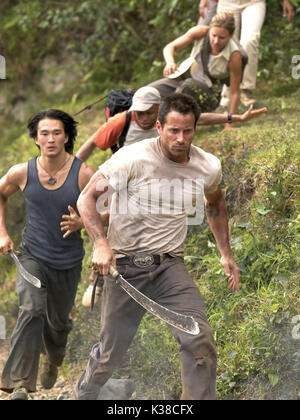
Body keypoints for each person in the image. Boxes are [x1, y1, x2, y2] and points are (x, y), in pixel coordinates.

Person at [73, 93, 240, 400]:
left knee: (198, 337)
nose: (180, 138)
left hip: (169, 267)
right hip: (123, 267)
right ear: (160, 126)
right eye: (173, 130)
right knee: (110, 353)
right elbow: (87, 198)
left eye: (187, 131)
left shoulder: (207, 166)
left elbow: (215, 203)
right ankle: (84, 396)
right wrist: (100, 244)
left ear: (195, 129)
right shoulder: (131, 158)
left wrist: (225, 254)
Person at [0, 109, 94, 400]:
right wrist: (2, 232)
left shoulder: (83, 174)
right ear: (36, 139)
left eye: (56, 132)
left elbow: (110, 210)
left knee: (58, 325)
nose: (51, 138)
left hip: (68, 261)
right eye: (44, 133)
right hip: (32, 256)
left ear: (66, 136)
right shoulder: (21, 172)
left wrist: (84, 221)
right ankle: (18, 384)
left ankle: (53, 359)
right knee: (31, 310)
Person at [76, 86, 267, 166]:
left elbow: (201, 118)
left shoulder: (167, 117)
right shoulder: (120, 121)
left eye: (149, 112)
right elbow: (92, 143)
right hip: (127, 169)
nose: (143, 118)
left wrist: (236, 118)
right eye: (139, 112)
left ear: (158, 109)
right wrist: (72, 170)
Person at [148, 13, 244, 124]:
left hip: (208, 95)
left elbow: (234, 92)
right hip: (184, 79)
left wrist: (229, 122)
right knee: (148, 92)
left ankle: (167, 122)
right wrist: (170, 62)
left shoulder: (234, 55)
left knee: (188, 86)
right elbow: (170, 47)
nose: (216, 41)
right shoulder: (200, 32)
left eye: (222, 38)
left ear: (231, 35)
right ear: (209, 30)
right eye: (213, 35)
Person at [217, 0, 295, 107]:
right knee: (228, 45)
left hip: (254, 2)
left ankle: (246, 89)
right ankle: (227, 98)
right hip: (228, 3)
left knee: (250, 40)